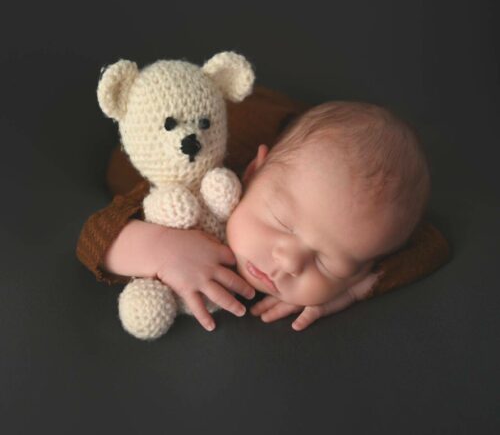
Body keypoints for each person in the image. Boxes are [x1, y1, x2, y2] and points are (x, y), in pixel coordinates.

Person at [76, 86, 451, 332]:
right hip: (203, 121)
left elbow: (431, 245)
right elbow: (94, 235)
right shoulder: (200, 183)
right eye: (283, 223)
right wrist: (159, 247)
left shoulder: (359, 227)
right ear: (253, 173)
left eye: (328, 261)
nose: (289, 263)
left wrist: (351, 290)